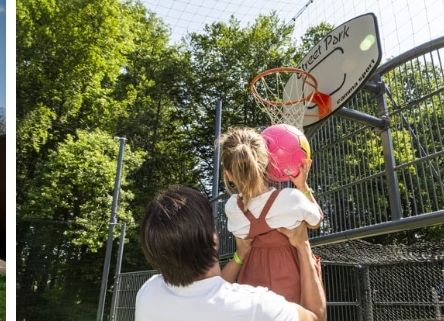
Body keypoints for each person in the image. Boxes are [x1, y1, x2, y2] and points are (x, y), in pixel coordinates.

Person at [135, 185, 325, 321]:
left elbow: (208, 291)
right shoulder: (256, 307)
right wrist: (303, 245)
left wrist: (240, 255)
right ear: (213, 239)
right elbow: (316, 317)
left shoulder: (148, 294)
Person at [217, 127, 323, 307]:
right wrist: (302, 186)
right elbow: (317, 220)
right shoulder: (291, 199)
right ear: (267, 163)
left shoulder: (233, 208)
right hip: (291, 286)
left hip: (251, 290)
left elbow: (242, 242)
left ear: (229, 174)